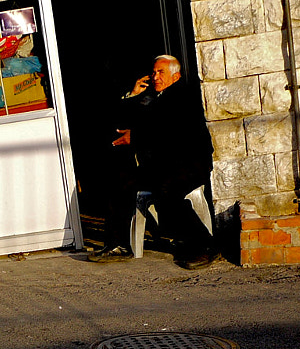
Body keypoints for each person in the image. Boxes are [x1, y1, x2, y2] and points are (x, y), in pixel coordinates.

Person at [90, 54, 216, 267]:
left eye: (161, 73)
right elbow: (125, 119)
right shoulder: (153, 96)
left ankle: (205, 245)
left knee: (167, 192)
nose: (155, 77)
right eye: (154, 72)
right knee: (121, 181)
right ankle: (117, 244)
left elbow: (171, 132)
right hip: (162, 166)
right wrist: (133, 94)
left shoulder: (182, 96)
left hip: (188, 165)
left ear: (175, 76)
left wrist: (136, 137)